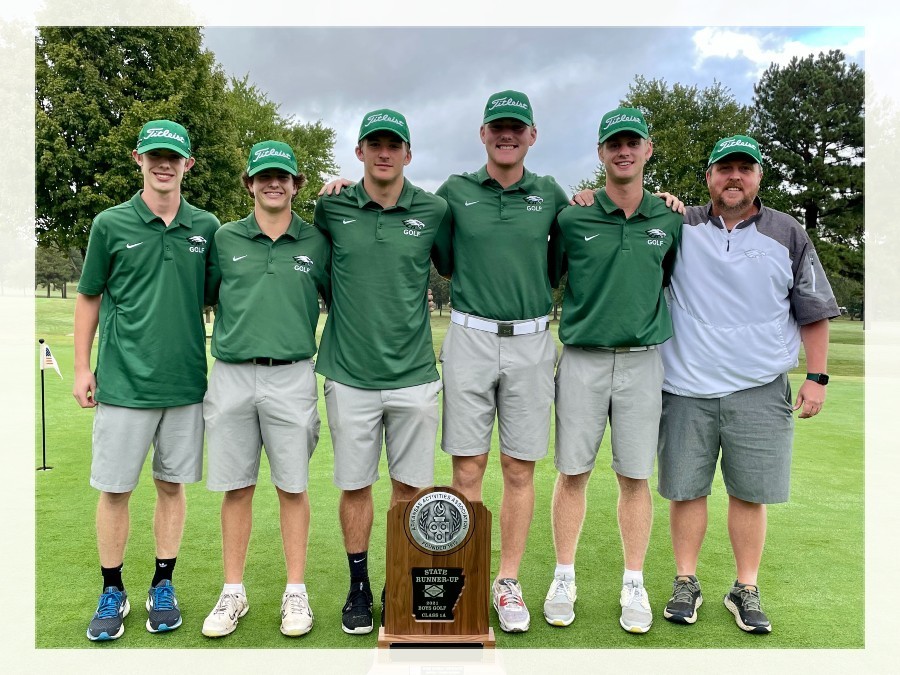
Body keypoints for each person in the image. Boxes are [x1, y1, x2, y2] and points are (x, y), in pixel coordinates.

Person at [656, 135, 839, 634]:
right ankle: (685, 580)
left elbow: (813, 311)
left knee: (749, 494)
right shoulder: (679, 225)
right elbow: (625, 214)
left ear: (759, 176)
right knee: (686, 491)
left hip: (759, 387)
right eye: (724, 168)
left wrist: (817, 377)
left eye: (744, 168)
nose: (734, 177)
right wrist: (588, 195)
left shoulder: (787, 233)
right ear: (709, 176)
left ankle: (745, 586)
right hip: (686, 385)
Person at [430, 90, 570, 634]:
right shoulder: (456, 191)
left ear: (532, 135)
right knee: (467, 468)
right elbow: (442, 257)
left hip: (533, 341)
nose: (506, 135)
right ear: (482, 134)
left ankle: (506, 581)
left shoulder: (552, 193)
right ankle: (464, 575)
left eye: (517, 127)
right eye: (497, 127)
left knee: (518, 467)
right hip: (469, 337)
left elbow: (559, 260)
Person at [74, 119, 220, 641]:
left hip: (184, 385)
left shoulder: (208, 227)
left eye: (173, 157)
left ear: (188, 165)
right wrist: (81, 367)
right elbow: (89, 295)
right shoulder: (110, 224)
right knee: (115, 490)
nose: (163, 164)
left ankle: (163, 583)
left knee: (170, 486)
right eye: (154, 155)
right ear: (138, 159)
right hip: (124, 385)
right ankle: (112, 589)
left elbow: (219, 295)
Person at [543, 107, 681, 634]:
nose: (623, 151)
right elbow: (553, 276)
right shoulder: (573, 217)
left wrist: (670, 200)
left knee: (634, 476)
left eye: (633, 143)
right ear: (600, 153)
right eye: (613, 144)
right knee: (572, 471)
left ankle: (634, 582)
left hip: (644, 363)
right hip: (582, 359)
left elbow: (668, 277)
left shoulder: (669, 218)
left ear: (647, 150)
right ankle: (563, 576)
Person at [313, 109, 451, 635]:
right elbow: (324, 276)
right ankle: (358, 587)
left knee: (410, 488)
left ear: (408, 154)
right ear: (360, 152)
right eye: (375, 143)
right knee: (355, 486)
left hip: (415, 374)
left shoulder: (433, 210)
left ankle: (399, 581)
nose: (384, 152)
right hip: (349, 374)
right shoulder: (333, 208)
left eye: (394, 144)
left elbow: (448, 264)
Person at [199, 141, 330, 638]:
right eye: (263, 176)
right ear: (250, 183)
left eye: (283, 176)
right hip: (232, 373)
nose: (274, 184)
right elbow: (206, 294)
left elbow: (337, 299)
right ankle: (233, 590)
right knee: (237, 486)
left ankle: (295, 590)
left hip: (293, 374)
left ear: (296, 184)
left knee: (292, 486)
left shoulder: (316, 241)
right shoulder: (224, 237)